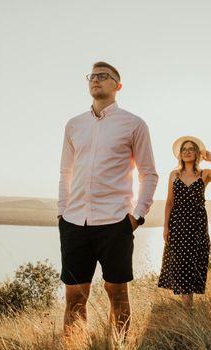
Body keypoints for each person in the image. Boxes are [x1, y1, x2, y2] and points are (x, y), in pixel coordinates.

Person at [57, 61, 158, 335]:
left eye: (104, 76)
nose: (96, 80)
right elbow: (65, 172)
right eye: (92, 76)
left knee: (118, 294)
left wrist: (137, 217)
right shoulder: (74, 125)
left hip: (116, 222)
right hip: (74, 223)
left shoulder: (134, 124)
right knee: (75, 298)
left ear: (118, 85)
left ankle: (120, 344)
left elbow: (148, 174)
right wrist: (62, 213)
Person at [157, 136, 211, 308]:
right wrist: (165, 227)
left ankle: (188, 308)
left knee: (193, 263)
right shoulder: (174, 175)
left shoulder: (204, 174)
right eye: (184, 149)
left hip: (196, 225)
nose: (187, 152)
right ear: (180, 154)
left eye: (191, 149)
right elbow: (169, 203)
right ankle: (187, 309)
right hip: (177, 224)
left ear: (197, 153)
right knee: (180, 264)